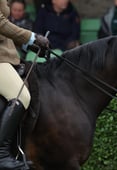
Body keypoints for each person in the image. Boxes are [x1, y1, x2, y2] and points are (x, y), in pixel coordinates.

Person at [0, 0, 49, 169]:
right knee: (21, 95)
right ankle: (1, 155)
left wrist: (29, 43)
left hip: (6, 53)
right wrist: (31, 37)